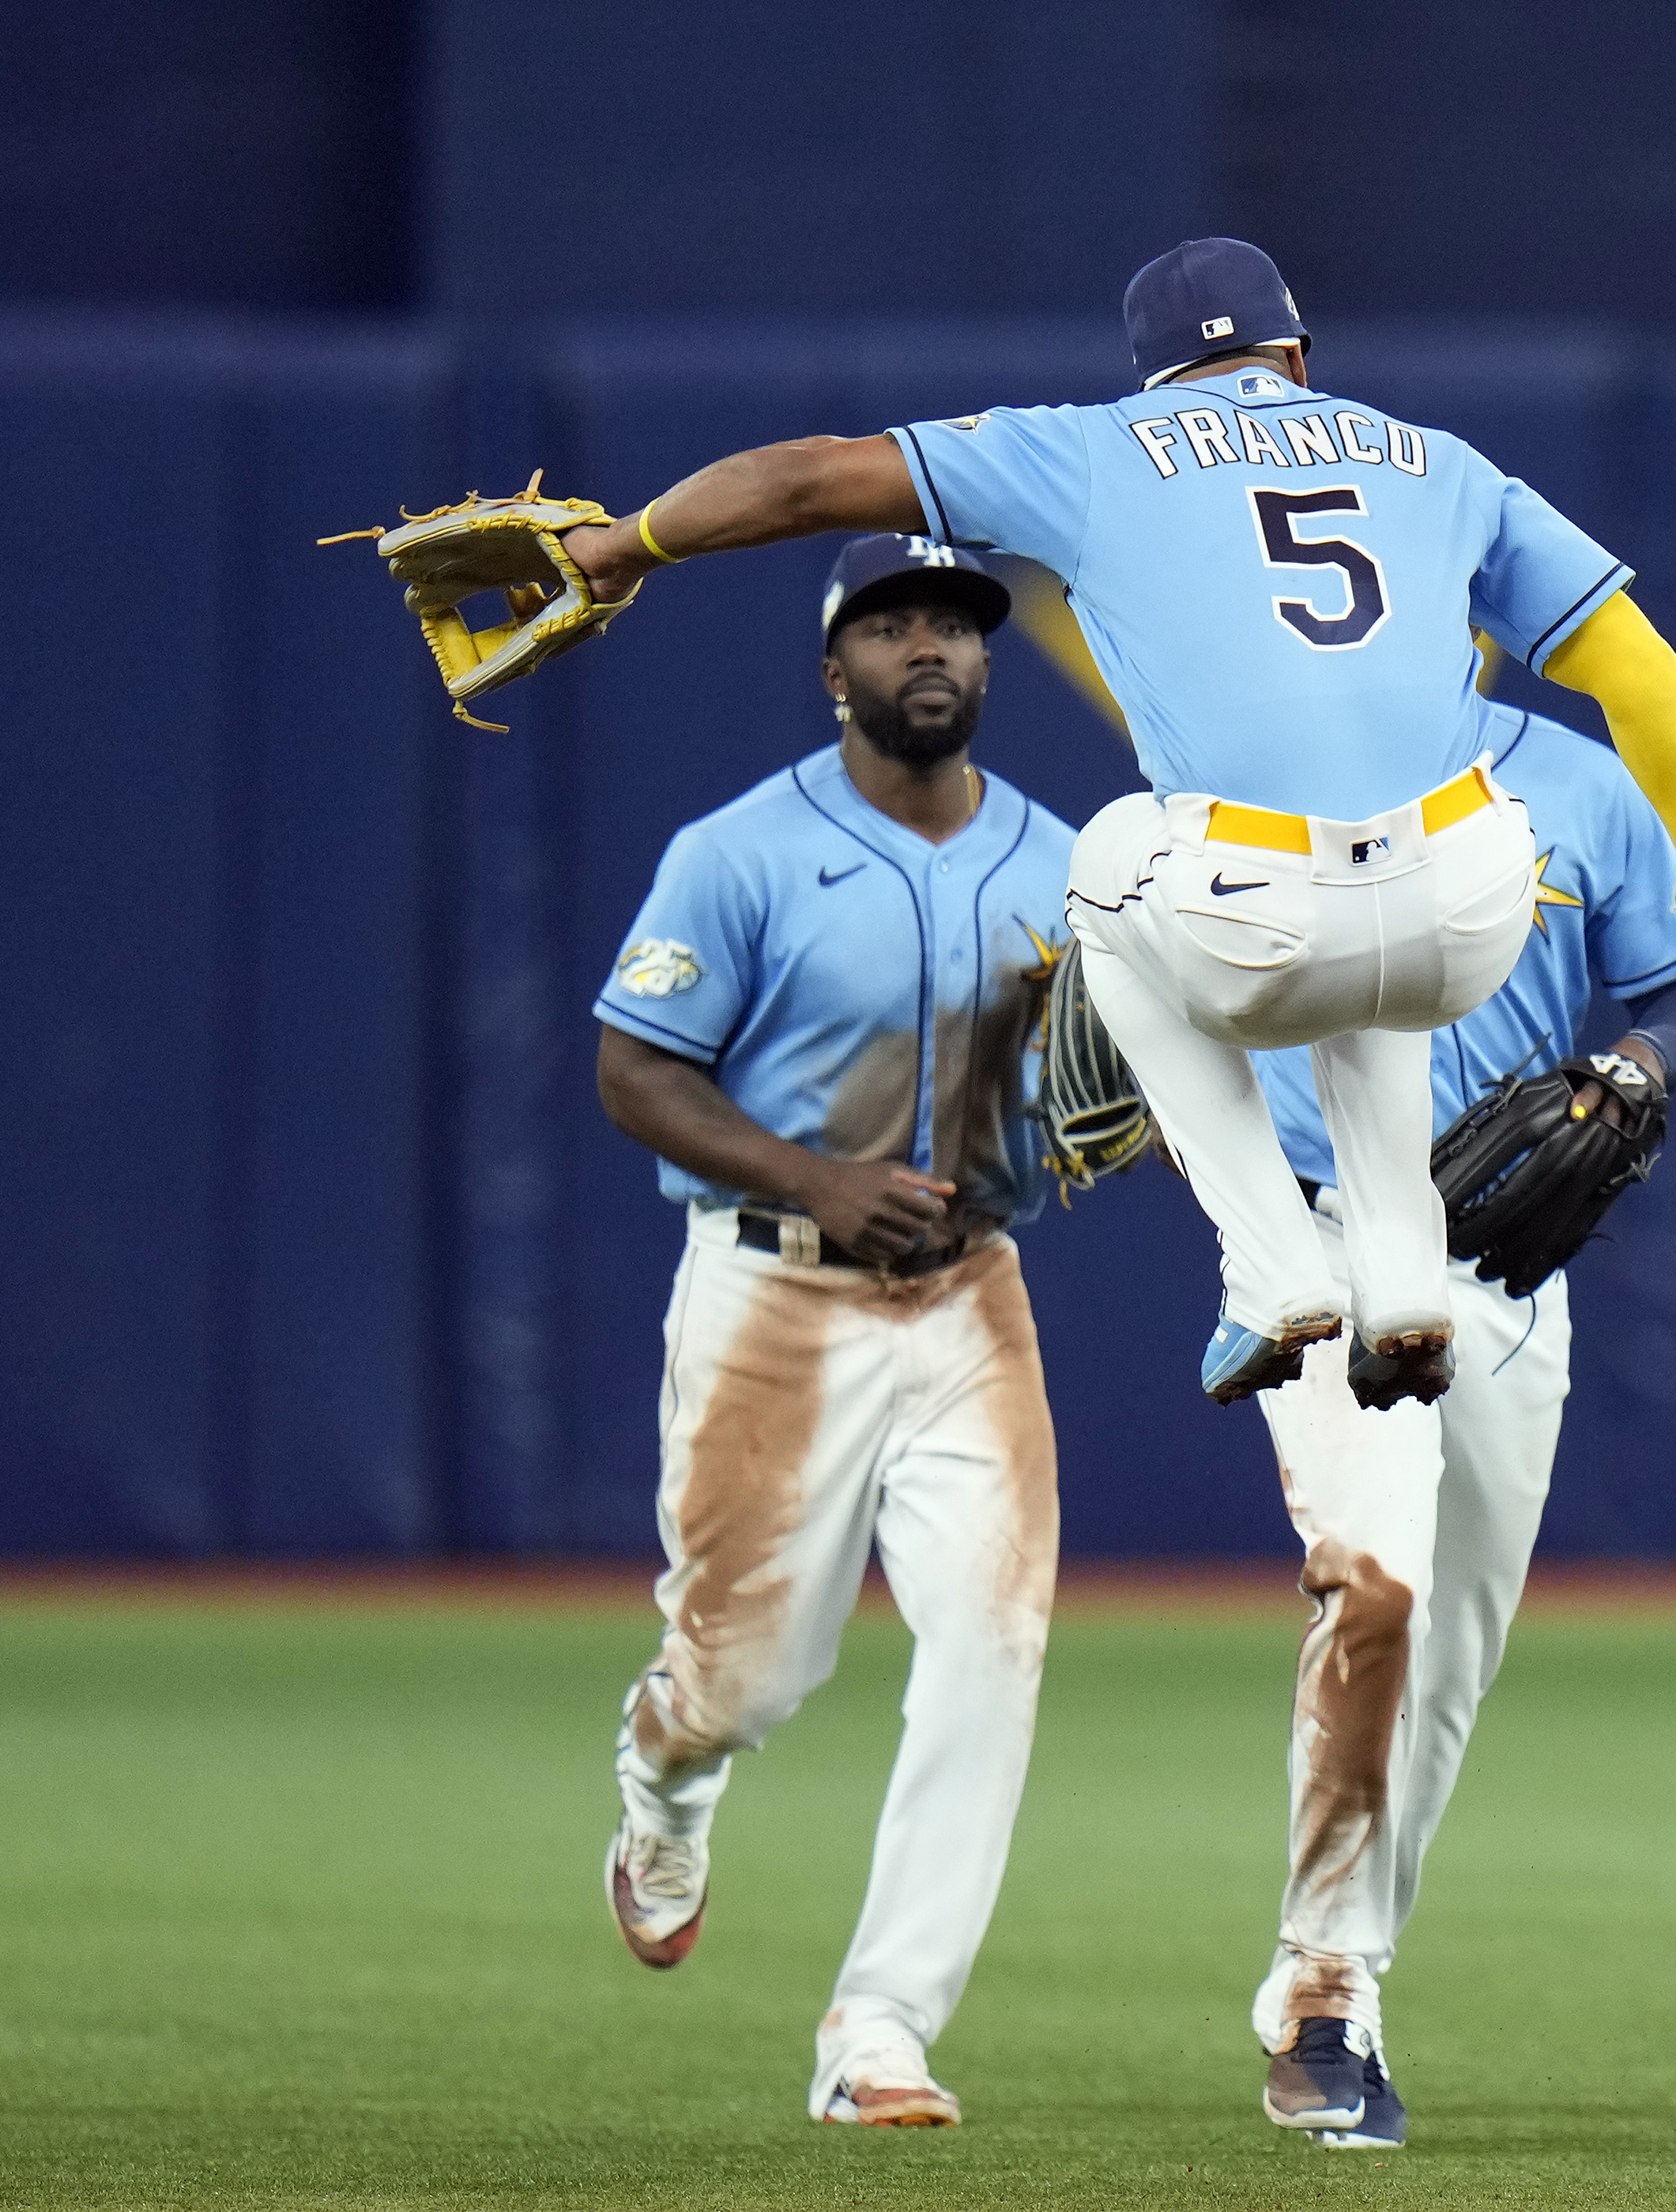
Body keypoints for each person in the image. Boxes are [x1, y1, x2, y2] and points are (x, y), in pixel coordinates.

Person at [556, 237, 1676, 1431]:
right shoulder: (1440, 458)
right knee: (1384, 920)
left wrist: (631, 544)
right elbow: (1639, 674)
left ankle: (1273, 1268)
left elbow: (804, 482)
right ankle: (1402, 1280)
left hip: (1256, 919)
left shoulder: (1092, 448)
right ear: (1298, 354)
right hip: (1471, 905)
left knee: (1108, 863)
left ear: (1148, 379)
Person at [593, 535, 1079, 2127]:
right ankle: (669, 1773)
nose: (925, 647)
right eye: (889, 627)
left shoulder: (1070, 864)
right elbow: (636, 1069)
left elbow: (1105, 1082)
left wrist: (1103, 1123)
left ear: (988, 664)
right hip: (774, 1289)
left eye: (953, 624)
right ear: (834, 672)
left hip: (968, 1295)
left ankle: (881, 2025)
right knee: (749, 1672)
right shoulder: (735, 852)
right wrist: (820, 1175)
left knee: (992, 1644)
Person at [1241, 694, 1676, 2150]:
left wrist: (1634, 1070)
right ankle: (1330, 1988)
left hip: (1505, 1267)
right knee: (1377, 1589)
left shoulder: (1574, 786)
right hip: (1325, 1244)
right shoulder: (1253, 757)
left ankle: (1337, 1962)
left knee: (1450, 1655)